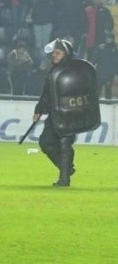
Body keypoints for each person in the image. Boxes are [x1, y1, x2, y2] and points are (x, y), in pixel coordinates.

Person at [34, 39, 78, 186]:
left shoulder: (75, 71)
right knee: (45, 143)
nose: (54, 55)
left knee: (65, 143)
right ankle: (66, 168)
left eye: (57, 53)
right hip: (54, 115)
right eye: (53, 53)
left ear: (66, 54)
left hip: (70, 114)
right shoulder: (53, 71)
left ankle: (64, 178)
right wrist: (39, 109)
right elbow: (46, 94)